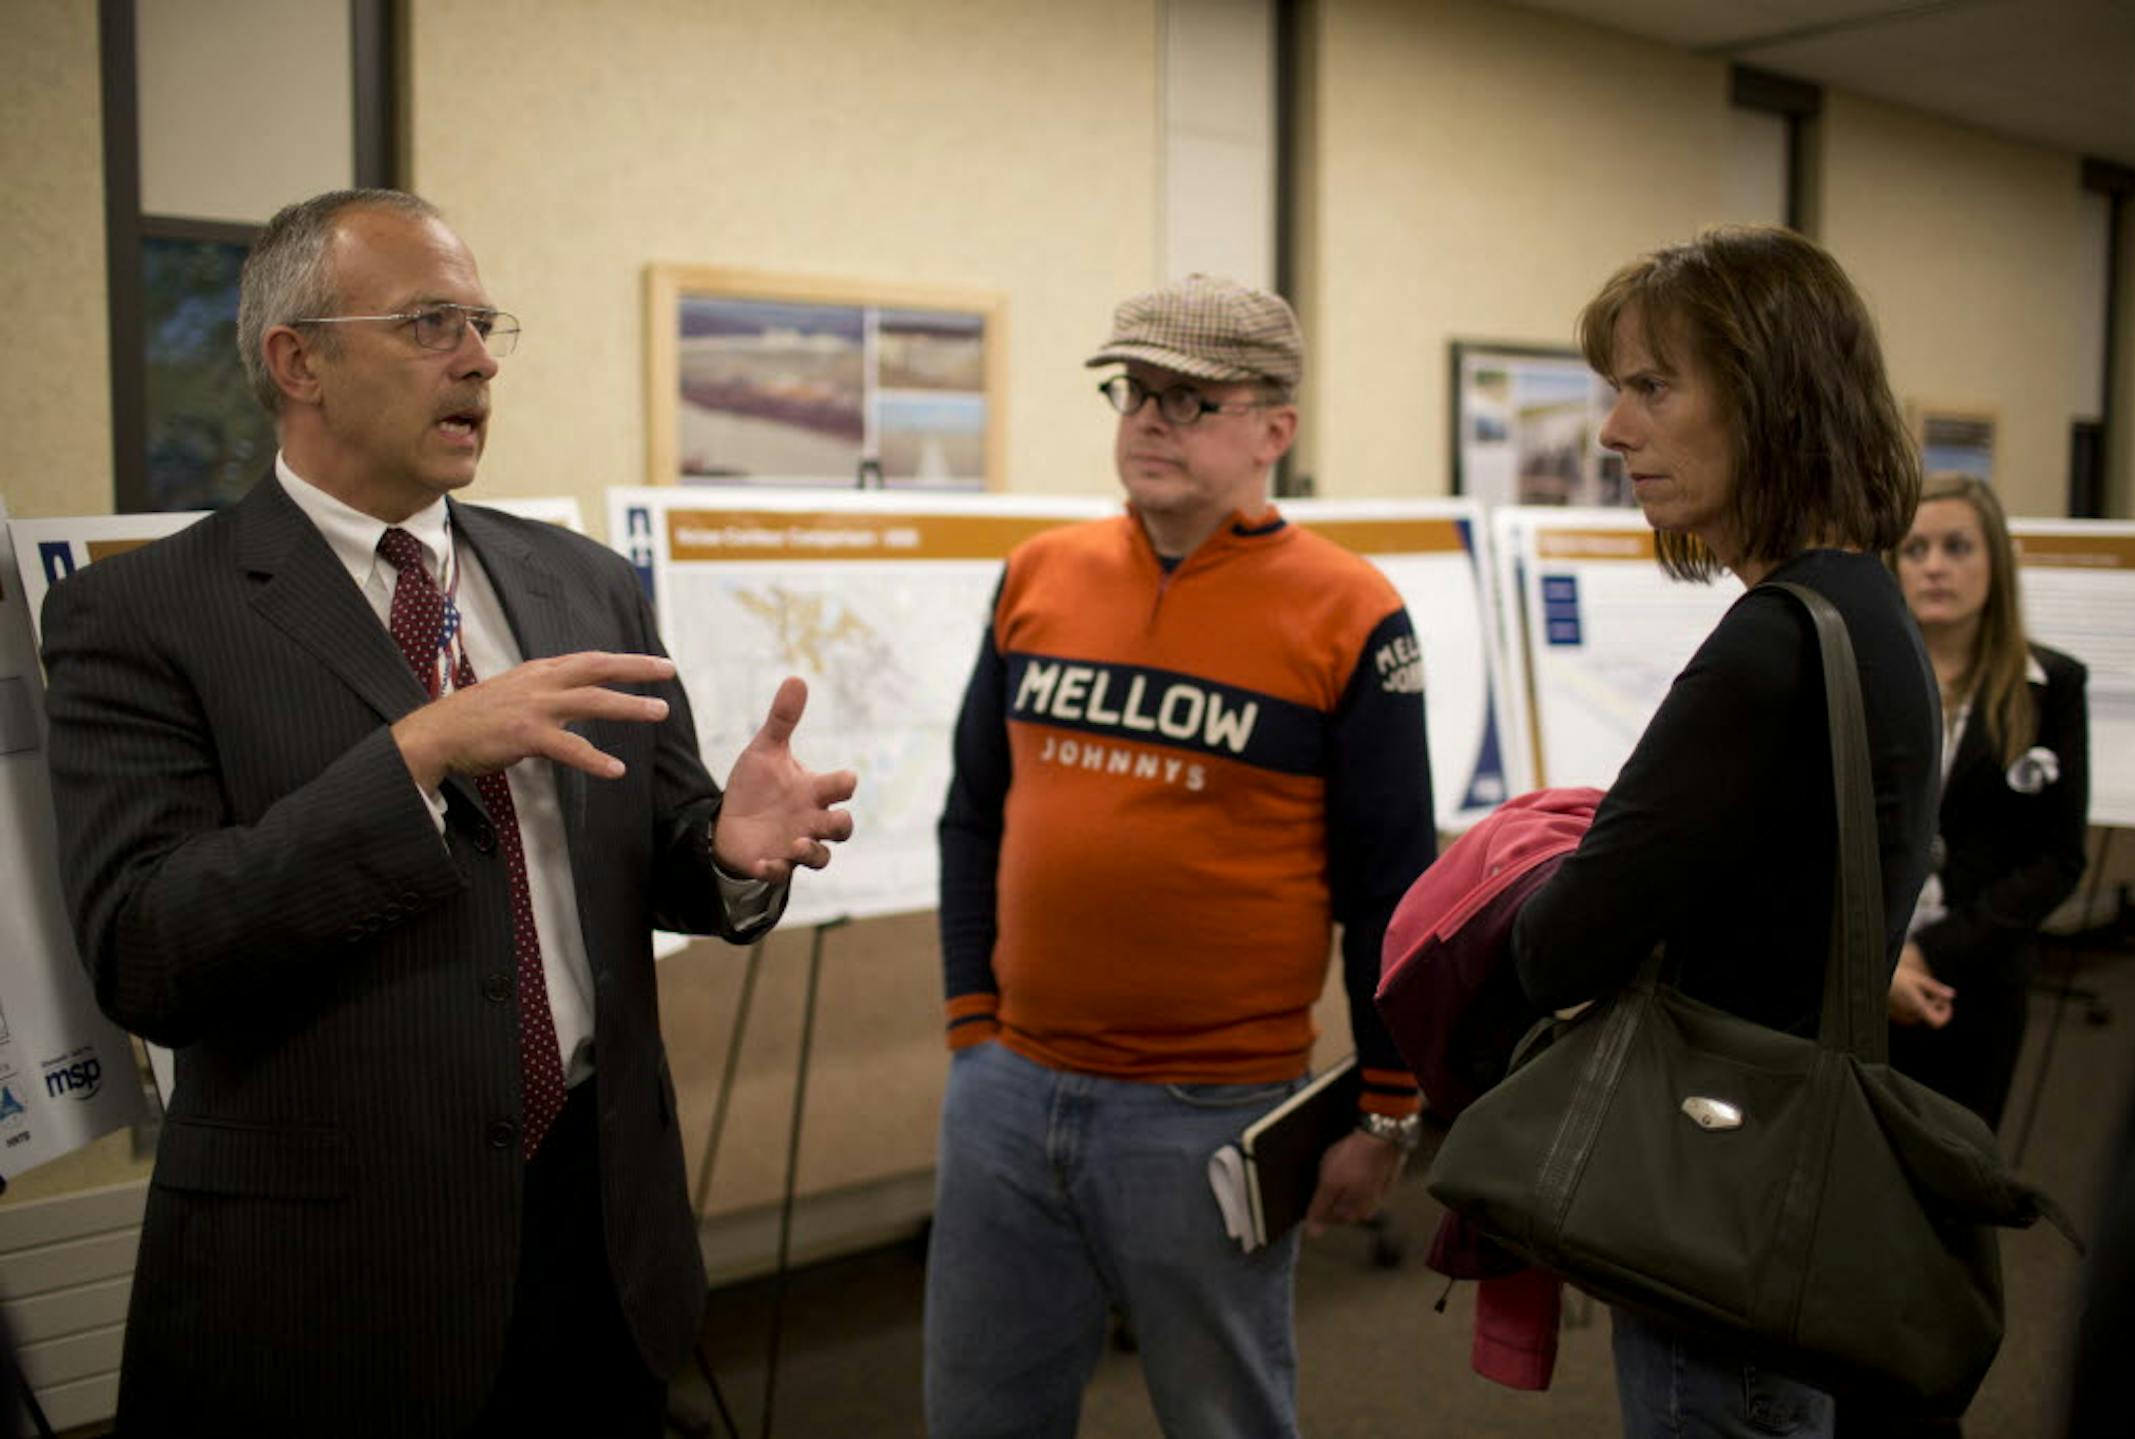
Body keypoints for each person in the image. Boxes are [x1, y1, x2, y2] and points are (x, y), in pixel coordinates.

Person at [38, 188, 855, 1437]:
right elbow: (145, 949)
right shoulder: (145, 616)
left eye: (482, 323)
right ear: (295, 359)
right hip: (334, 1278)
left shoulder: (577, 580)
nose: (476, 357)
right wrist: (410, 756)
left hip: (598, 1234)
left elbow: (662, 852)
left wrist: (728, 853)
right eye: (429, 322)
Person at [925, 274, 1437, 1438]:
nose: (1150, 418)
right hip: (1010, 1090)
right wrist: (970, 1025)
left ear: (1275, 428)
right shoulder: (1037, 574)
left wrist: (1386, 1103)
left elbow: (1391, 882)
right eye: (1135, 389)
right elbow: (975, 816)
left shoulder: (1350, 612)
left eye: (1192, 399)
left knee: (1225, 1417)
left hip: (1212, 1106)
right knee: (979, 1415)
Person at [1510, 226, 1935, 1438]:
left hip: (1719, 1205)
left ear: (1773, 395)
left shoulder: (1773, 641)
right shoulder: (1862, 607)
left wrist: (1531, 866)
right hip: (1781, 1193)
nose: (1612, 430)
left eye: (1653, 386)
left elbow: (1559, 948)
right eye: (1614, 392)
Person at [1887, 473, 2089, 1130]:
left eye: (1957, 546)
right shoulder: (1862, 676)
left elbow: (2057, 857)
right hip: (1865, 975)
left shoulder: (2049, 685)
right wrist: (1885, 962)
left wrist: (1932, 953)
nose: (1936, 566)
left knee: (1956, 1180)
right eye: (1916, 550)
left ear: (1994, 561)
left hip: (1975, 978)